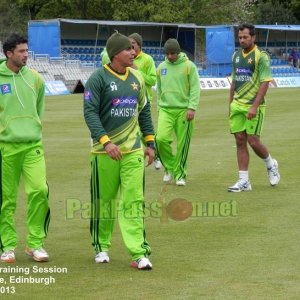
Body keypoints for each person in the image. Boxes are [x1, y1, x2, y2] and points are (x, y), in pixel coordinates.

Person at [83, 31, 155, 270]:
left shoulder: (138, 77)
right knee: (104, 201)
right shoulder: (98, 78)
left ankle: (138, 253)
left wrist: (150, 142)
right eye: (128, 50)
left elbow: (143, 111)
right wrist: (106, 141)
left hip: (133, 150)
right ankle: (101, 247)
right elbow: (90, 112)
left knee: (133, 201)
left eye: (133, 49)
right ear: (115, 54)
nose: (133, 52)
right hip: (104, 152)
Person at [0, 33, 50, 263]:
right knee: (6, 199)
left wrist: (32, 129)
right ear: (9, 53)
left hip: (32, 146)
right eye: (21, 51)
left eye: (27, 51)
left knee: (39, 191)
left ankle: (35, 243)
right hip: (6, 148)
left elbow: (38, 108)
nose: (26, 55)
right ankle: (8, 245)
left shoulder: (36, 79)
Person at [228, 23, 280, 192]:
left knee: (253, 140)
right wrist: (230, 104)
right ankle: (244, 181)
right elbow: (234, 82)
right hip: (237, 105)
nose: (242, 40)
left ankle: (271, 164)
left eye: (245, 37)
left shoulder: (261, 56)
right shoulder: (236, 56)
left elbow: (265, 82)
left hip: (253, 106)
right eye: (240, 37)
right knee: (240, 140)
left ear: (253, 37)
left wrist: (254, 106)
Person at [155, 38, 200, 186]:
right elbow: (159, 89)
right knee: (160, 139)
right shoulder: (161, 67)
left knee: (182, 144)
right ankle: (169, 167)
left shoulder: (189, 66)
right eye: (167, 53)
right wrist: (159, 107)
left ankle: (180, 174)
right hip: (165, 109)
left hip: (183, 110)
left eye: (172, 53)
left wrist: (191, 107)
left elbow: (195, 88)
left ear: (178, 52)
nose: (169, 56)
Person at [128, 33, 162, 170]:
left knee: (143, 131)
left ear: (139, 45)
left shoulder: (147, 59)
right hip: (128, 100)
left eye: (133, 44)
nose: (130, 47)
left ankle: (155, 153)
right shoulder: (126, 58)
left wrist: (137, 71)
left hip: (144, 100)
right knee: (133, 132)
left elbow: (152, 80)